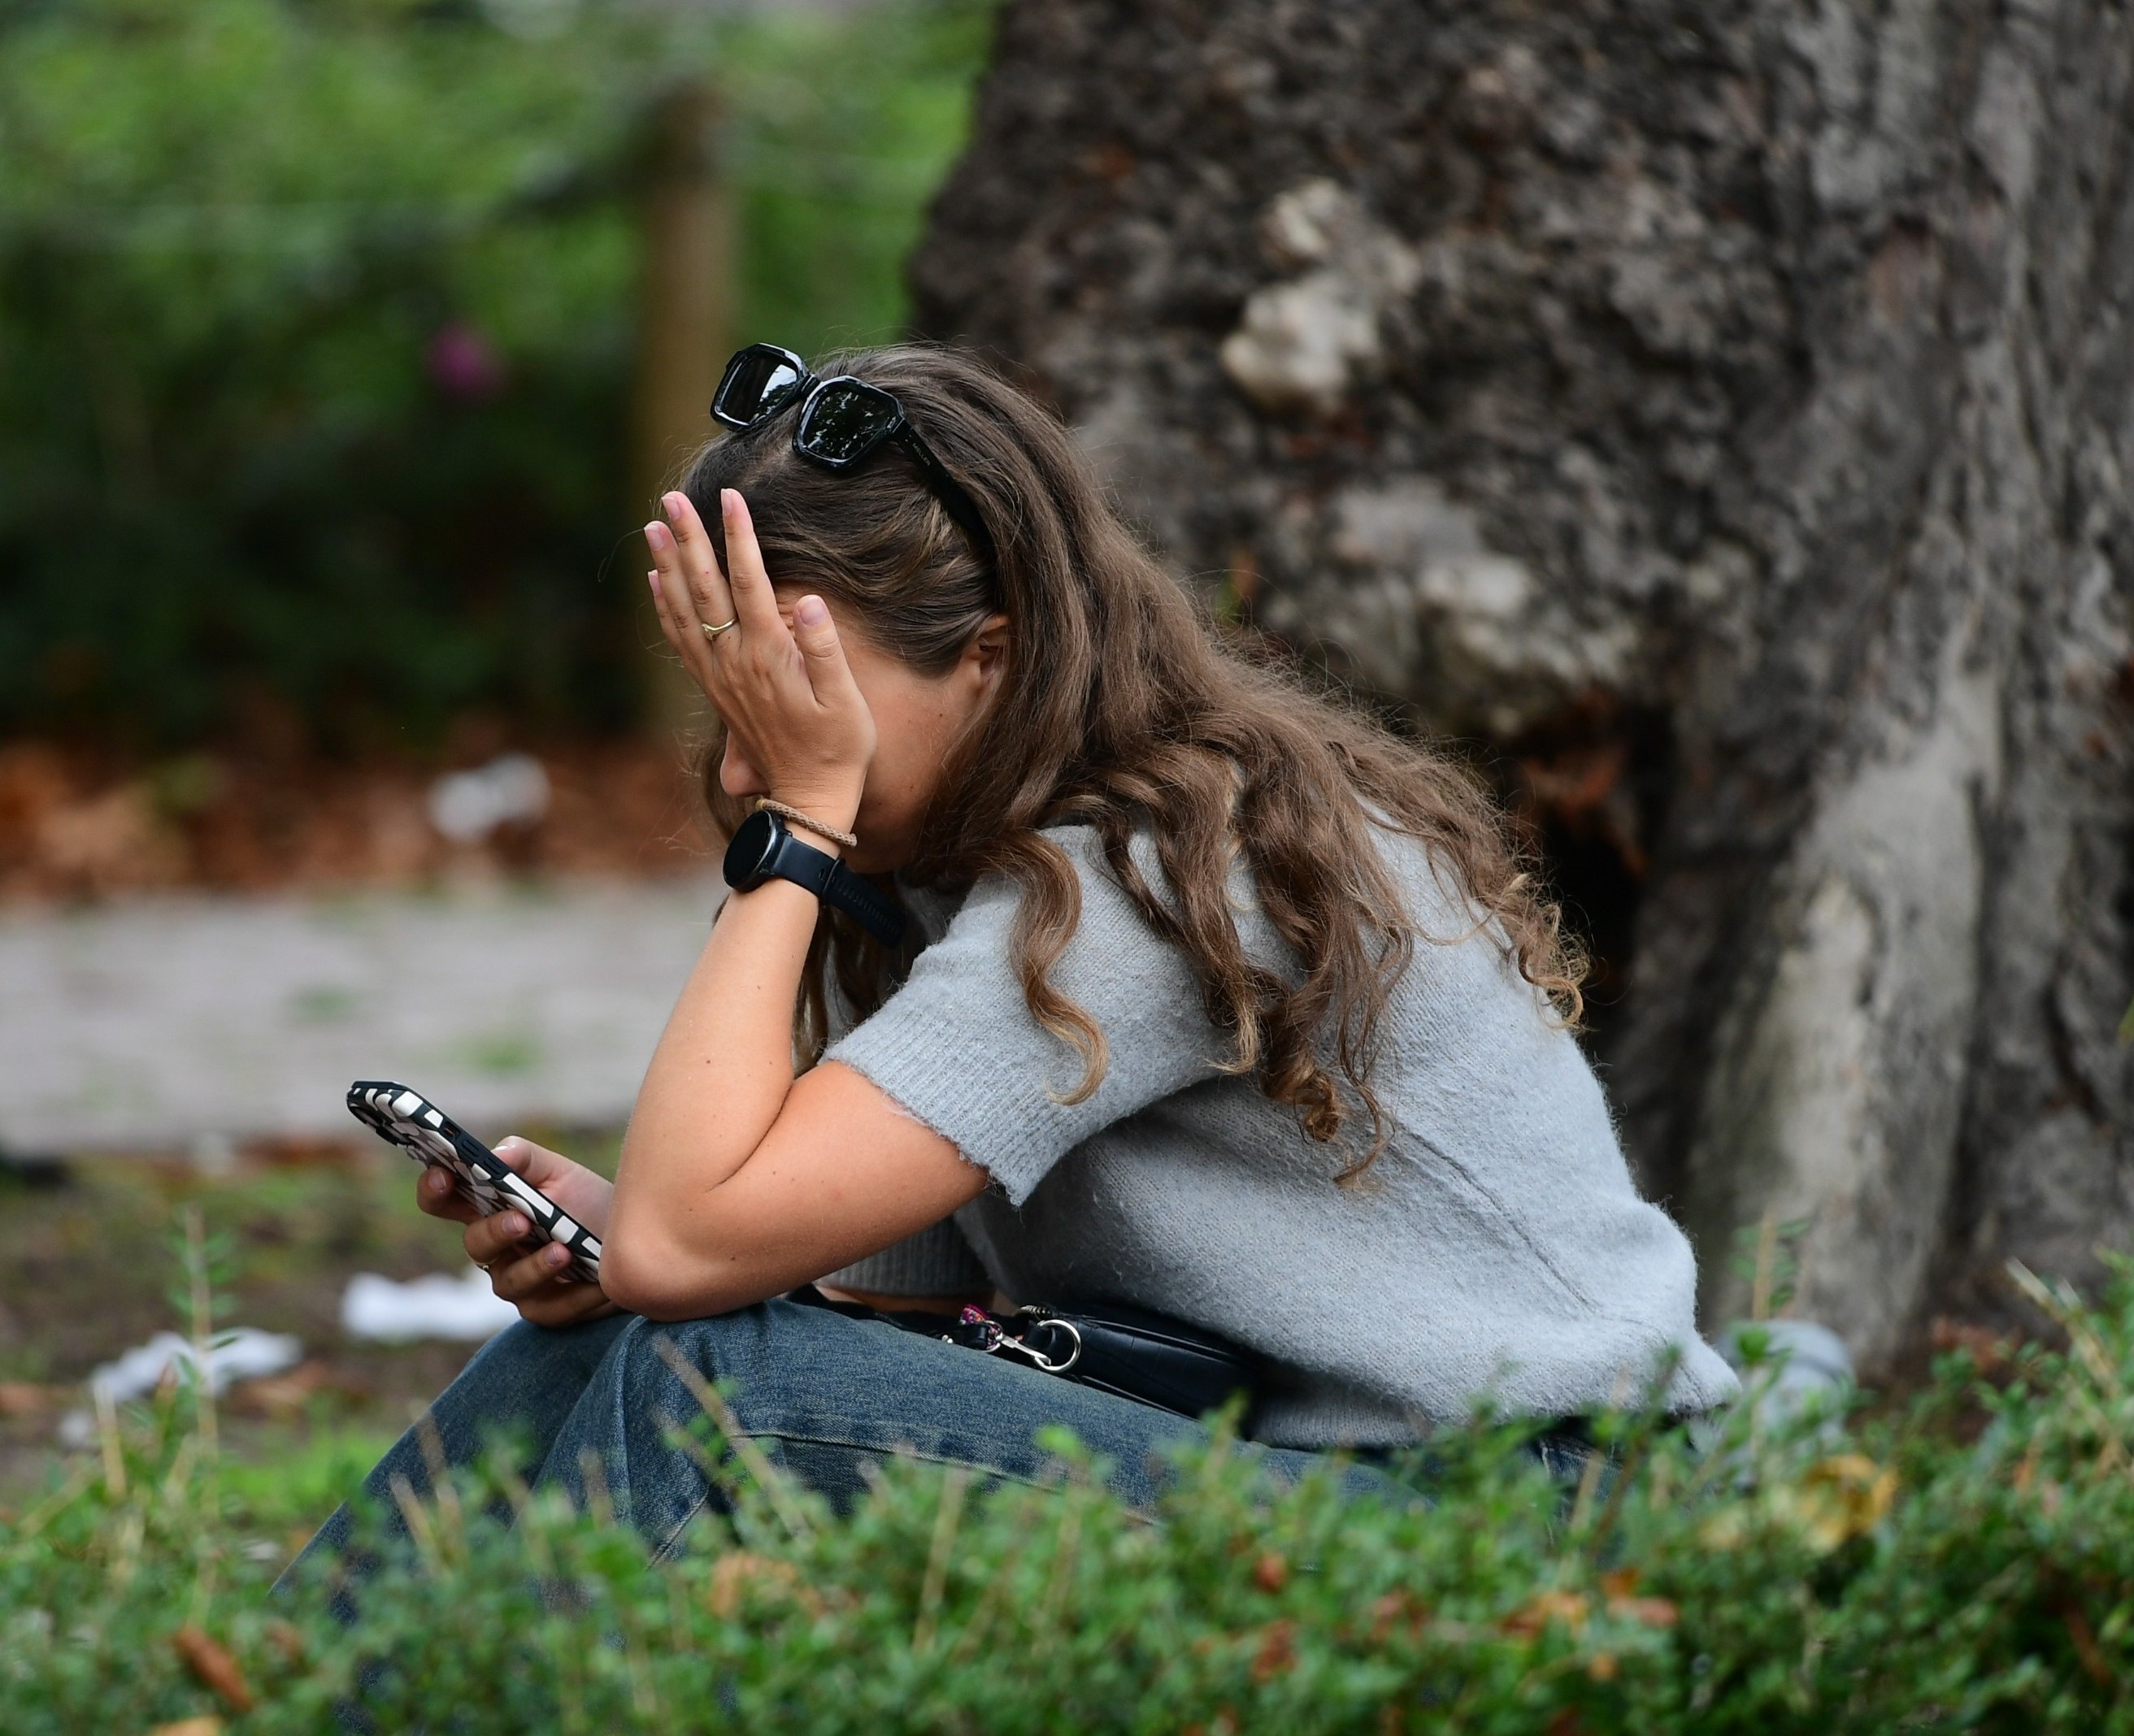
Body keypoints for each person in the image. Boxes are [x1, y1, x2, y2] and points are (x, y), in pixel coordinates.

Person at [291, 343, 1737, 1575]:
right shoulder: (963, 873)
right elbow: (872, 1295)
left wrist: (796, 828)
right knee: (610, 1343)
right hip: (1353, 1481)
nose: (742, 763)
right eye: (733, 701)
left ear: (989, 654)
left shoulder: (1156, 872)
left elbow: (688, 1261)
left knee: (702, 1379)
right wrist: (623, 1236)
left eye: (799, 694)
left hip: (1538, 1511)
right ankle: (286, 1690)